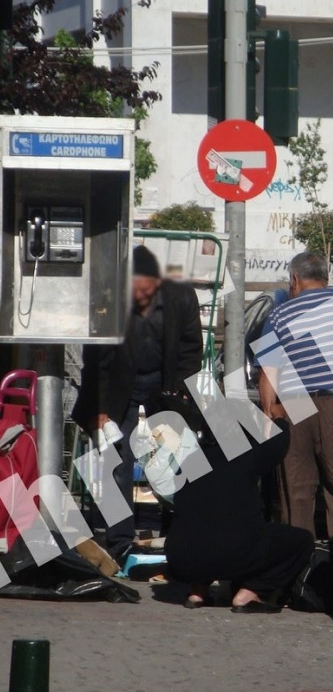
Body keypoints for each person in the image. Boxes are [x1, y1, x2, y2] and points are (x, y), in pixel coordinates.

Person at [71, 244, 203, 565]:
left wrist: (182, 392)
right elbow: (97, 360)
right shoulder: (109, 301)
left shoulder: (181, 298)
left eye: (145, 291)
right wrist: (101, 410)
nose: (139, 297)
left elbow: (190, 350)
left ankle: (180, 535)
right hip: (119, 385)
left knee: (179, 459)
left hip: (166, 383)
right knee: (114, 461)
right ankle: (119, 541)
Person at [257, 251, 333, 541]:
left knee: (295, 492)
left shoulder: (278, 315)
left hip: (294, 406)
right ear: (326, 278)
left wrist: (269, 416)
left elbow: (267, 373)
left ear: (295, 279)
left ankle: (298, 565)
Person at [155, 395, 314, 612]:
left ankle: (197, 591)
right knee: (302, 541)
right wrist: (280, 419)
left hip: (180, 558)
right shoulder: (247, 454)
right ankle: (250, 593)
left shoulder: (190, 461)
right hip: (230, 553)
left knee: (204, 529)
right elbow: (279, 443)